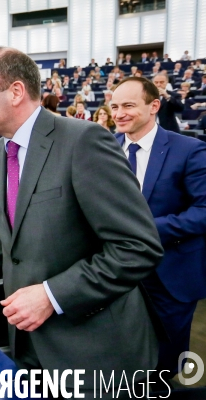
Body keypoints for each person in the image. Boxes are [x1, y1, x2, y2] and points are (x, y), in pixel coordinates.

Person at [0, 47, 163, 395]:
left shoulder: (83, 141)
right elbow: (2, 234)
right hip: (29, 346)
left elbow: (137, 247)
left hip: (95, 354)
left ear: (16, 91)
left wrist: (52, 295)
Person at [111, 76, 206, 384]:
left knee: (163, 365)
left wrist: (147, 229)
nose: (119, 113)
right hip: (117, 273)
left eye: (128, 105)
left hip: (170, 273)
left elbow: (203, 212)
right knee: (122, 354)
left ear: (154, 106)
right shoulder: (105, 149)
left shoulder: (189, 149)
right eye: (114, 106)